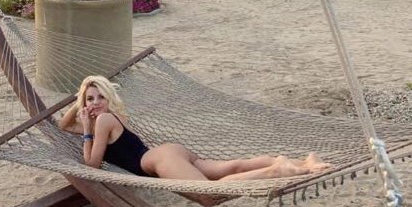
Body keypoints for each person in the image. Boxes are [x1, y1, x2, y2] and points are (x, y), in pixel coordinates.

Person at [59, 75, 332, 181]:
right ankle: (303, 161)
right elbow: (64, 125)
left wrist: (87, 128)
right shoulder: (109, 120)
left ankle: (279, 170)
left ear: (109, 99)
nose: (95, 103)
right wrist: (79, 100)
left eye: (101, 97)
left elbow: (92, 164)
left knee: (211, 193)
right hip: (170, 152)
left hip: (158, 161)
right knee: (232, 167)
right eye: (90, 99)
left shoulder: (104, 122)